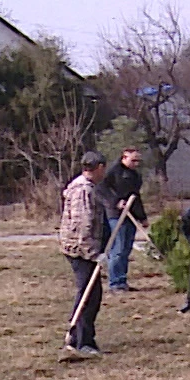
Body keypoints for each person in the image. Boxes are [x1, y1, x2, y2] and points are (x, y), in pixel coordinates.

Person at [58, 152, 111, 359]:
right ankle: (82, 341)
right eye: (103, 168)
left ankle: (77, 336)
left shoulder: (87, 188)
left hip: (84, 250)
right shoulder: (83, 190)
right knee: (89, 295)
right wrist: (93, 254)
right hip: (80, 251)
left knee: (91, 294)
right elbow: (83, 226)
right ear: (98, 167)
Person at [99, 146, 147, 292]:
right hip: (116, 215)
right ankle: (115, 283)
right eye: (133, 160)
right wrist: (116, 201)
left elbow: (136, 197)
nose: (136, 163)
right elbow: (101, 189)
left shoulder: (135, 176)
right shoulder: (113, 172)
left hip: (130, 216)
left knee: (126, 249)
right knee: (118, 249)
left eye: (138, 161)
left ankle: (122, 281)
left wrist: (142, 217)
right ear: (124, 158)